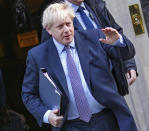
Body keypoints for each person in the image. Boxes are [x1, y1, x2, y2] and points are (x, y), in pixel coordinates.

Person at [22, 2, 137, 131]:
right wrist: (46, 115)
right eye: (60, 27)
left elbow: (127, 54)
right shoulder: (37, 56)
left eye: (68, 24)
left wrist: (118, 41)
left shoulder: (95, 38)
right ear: (48, 29)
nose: (66, 30)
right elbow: (28, 94)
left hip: (107, 120)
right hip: (71, 126)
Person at [41, 0, 137, 95]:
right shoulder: (54, 16)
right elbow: (48, 58)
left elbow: (116, 34)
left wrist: (128, 63)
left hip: (113, 82)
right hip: (86, 92)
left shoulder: (96, 4)